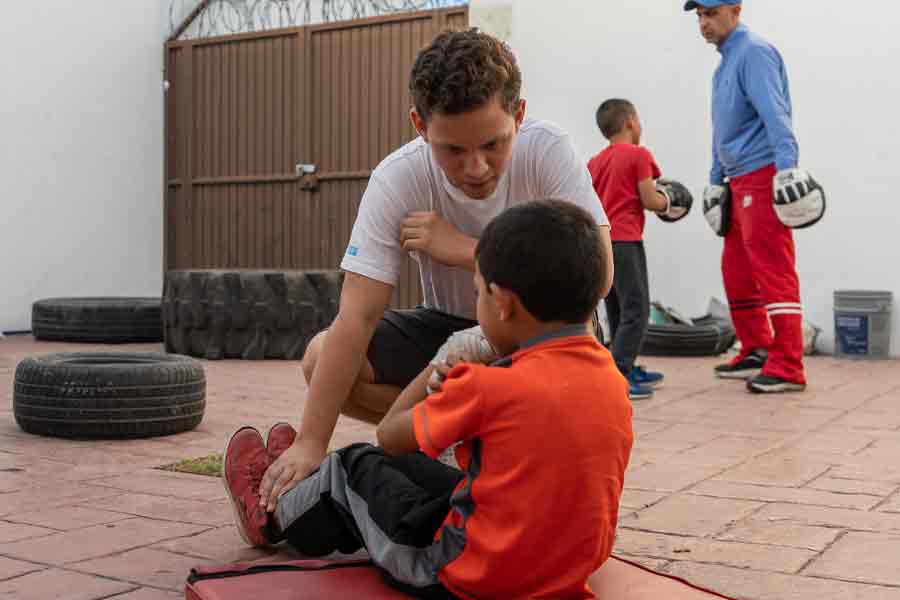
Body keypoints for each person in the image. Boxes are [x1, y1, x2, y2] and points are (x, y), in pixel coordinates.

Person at [257, 28, 613, 508]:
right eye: (452, 150)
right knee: (323, 358)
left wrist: (468, 249)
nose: (476, 168)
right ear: (419, 126)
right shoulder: (398, 178)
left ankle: (493, 436)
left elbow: (600, 273)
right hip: (451, 327)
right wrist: (310, 443)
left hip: (543, 330)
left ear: (519, 115)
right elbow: (357, 317)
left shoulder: (548, 151)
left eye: (493, 144)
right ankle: (463, 441)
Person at [222, 200, 634, 599]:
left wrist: (441, 361)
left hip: (463, 570)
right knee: (412, 467)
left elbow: (389, 434)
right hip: (566, 565)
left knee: (352, 467)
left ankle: (272, 514)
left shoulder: (494, 383)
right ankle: (303, 496)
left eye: (478, 294)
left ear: (503, 304)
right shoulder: (612, 378)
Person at [687, 0, 821, 393]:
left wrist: (787, 170)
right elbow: (721, 130)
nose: (703, 23)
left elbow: (776, 116)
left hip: (762, 175)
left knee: (772, 270)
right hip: (736, 180)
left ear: (735, 9)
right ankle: (757, 346)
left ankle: (788, 365)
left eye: (710, 13)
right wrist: (715, 180)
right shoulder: (724, 64)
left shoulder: (754, 52)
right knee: (738, 272)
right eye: (699, 16)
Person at [587, 99, 688, 401]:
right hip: (627, 240)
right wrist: (670, 200)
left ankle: (623, 368)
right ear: (631, 121)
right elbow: (650, 200)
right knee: (637, 309)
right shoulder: (639, 155)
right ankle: (617, 375)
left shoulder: (595, 161)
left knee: (617, 307)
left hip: (601, 242)